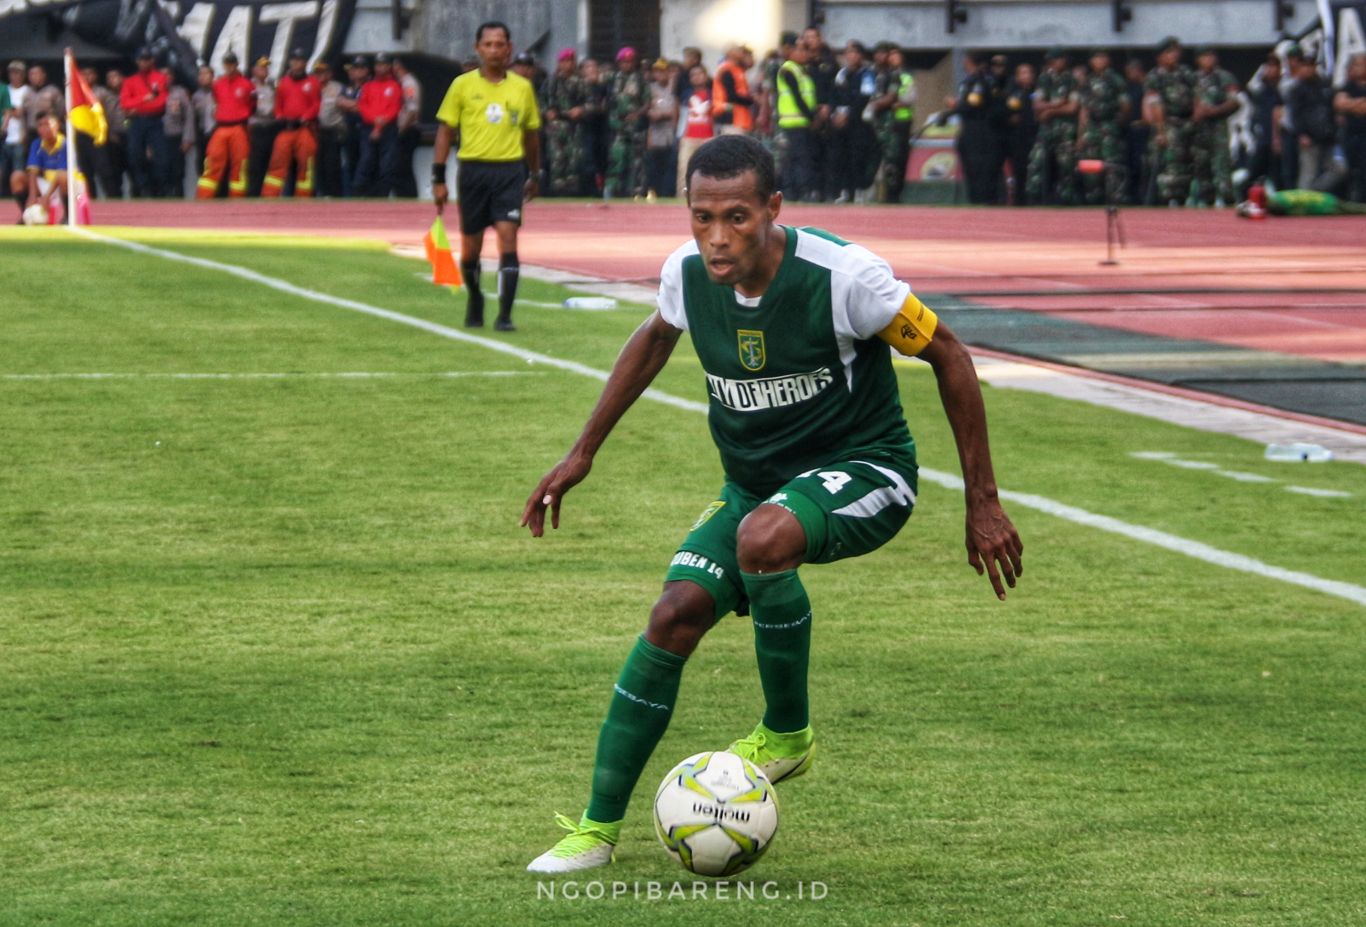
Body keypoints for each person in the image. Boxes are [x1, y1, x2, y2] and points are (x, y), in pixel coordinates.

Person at [520, 134, 1023, 873]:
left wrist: (982, 499)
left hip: (868, 471)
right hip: (757, 492)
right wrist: (583, 450)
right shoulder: (686, 276)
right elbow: (656, 337)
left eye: (736, 217)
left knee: (762, 538)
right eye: (701, 218)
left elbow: (948, 350)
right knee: (674, 612)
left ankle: (787, 733)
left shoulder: (846, 276)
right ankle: (595, 830)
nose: (717, 238)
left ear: (773, 209)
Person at [431, 20, 542, 332]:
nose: (494, 50)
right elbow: (444, 132)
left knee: (508, 237)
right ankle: (476, 297)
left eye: (500, 44)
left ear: (509, 48)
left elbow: (531, 136)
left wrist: (535, 173)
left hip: (509, 171)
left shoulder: (522, 88)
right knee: (471, 248)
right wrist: (438, 179)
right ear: (477, 48)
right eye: (488, 44)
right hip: (473, 172)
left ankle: (505, 315)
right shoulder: (462, 85)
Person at [1144, 37, 1196, 205]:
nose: (1174, 55)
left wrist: (1194, 121)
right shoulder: (1155, 76)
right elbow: (1155, 104)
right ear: (1160, 56)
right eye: (1169, 52)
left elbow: (1197, 98)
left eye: (1175, 52)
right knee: (1170, 163)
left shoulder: (1186, 73)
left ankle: (1186, 196)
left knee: (1190, 162)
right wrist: (1160, 131)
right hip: (1168, 124)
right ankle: (1169, 198)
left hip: (1188, 122)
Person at [196, 52, 254, 198]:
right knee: (212, 161)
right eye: (226, 63)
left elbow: (252, 105)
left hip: (239, 127)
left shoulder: (247, 85)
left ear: (236, 64)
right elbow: (217, 101)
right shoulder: (218, 84)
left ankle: (237, 199)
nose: (229, 66)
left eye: (231, 63)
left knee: (239, 164)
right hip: (221, 127)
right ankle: (204, 197)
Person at [263, 48, 320, 197]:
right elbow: (278, 105)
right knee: (277, 162)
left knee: (305, 164)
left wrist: (305, 117)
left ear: (305, 63)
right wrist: (280, 116)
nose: (296, 63)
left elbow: (315, 105)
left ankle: (304, 196)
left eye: (299, 60)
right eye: (293, 60)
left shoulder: (313, 82)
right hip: (286, 129)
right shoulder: (283, 82)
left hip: (304, 129)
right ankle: (269, 196)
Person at [1076, 49, 1130, 205]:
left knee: (1111, 161)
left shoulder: (1115, 79)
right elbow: (1084, 109)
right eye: (1096, 58)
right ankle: (1093, 196)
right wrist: (1081, 134)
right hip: (1092, 125)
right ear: (1091, 62)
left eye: (1102, 57)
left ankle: (1114, 197)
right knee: (1091, 161)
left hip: (1109, 124)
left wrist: (1117, 123)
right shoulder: (1088, 81)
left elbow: (1125, 105)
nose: (1099, 60)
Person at [829, 40, 878, 203]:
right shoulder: (841, 74)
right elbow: (835, 95)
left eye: (855, 52)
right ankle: (845, 191)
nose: (851, 56)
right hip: (841, 122)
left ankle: (859, 191)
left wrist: (849, 114)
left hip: (859, 122)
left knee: (858, 157)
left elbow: (864, 97)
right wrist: (835, 115)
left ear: (861, 56)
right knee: (842, 157)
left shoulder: (867, 74)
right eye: (848, 52)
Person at [1190, 47, 1239, 206]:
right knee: (1201, 167)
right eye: (1204, 56)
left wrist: (1214, 111)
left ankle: (1227, 199)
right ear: (1198, 59)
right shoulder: (1192, 78)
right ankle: (1206, 201)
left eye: (1211, 56)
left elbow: (1234, 101)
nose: (1208, 59)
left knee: (1222, 165)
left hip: (1218, 128)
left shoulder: (1224, 77)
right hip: (1198, 129)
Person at [953, 50, 1003, 204]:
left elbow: (972, 105)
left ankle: (983, 200)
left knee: (979, 168)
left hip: (979, 131)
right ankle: (976, 200)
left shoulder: (979, 81)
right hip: (969, 129)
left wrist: (956, 105)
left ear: (970, 61)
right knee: (971, 167)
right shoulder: (970, 81)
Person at [120, 48, 170, 197]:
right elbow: (125, 103)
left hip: (155, 120)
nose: (144, 62)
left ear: (152, 61)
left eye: (147, 59)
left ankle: (160, 188)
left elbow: (161, 102)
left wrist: (138, 106)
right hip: (137, 122)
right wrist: (144, 99)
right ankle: (144, 186)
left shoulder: (160, 78)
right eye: (141, 59)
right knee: (135, 154)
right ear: (137, 61)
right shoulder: (130, 81)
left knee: (161, 156)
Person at [774, 39, 818, 202]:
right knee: (796, 158)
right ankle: (794, 191)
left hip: (801, 122)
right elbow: (797, 97)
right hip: (792, 122)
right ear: (791, 52)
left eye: (805, 50)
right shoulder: (788, 70)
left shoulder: (802, 70)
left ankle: (797, 191)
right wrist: (811, 116)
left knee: (799, 158)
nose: (804, 54)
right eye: (800, 50)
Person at [353, 53, 402, 196]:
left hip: (388, 128)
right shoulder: (368, 86)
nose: (380, 67)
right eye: (378, 64)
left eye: (383, 64)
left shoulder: (394, 86)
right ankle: (358, 193)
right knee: (366, 160)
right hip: (369, 128)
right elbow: (363, 106)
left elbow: (395, 108)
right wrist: (375, 121)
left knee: (387, 164)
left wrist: (380, 124)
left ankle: (382, 195)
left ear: (389, 66)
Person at [541, 48, 587, 196]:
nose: (567, 64)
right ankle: (556, 188)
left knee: (573, 157)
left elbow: (591, 103)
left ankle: (572, 190)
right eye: (564, 61)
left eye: (570, 61)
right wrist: (546, 112)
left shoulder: (580, 82)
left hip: (574, 125)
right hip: (556, 125)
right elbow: (540, 102)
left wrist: (581, 109)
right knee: (557, 157)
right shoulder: (550, 81)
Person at [606, 47, 650, 199]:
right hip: (616, 126)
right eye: (624, 62)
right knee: (616, 157)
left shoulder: (640, 79)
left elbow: (647, 102)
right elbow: (605, 100)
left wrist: (637, 114)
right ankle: (612, 191)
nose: (627, 64)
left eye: (630, 61)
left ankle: (635, 191)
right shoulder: (612, 78)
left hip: (635, 127)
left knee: (636, 159)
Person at [873, 45, 915, 204]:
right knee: (890, 159)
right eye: (890, 55)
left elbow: (909, 97)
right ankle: (889, 195)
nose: (892, 58)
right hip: (888, 123)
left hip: (901, 121)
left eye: (896, 55)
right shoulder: (885, 75)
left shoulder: (904, 76)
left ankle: (894, 195)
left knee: (898, 159)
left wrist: (894, 102)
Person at [11, 112, 67, 220]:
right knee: (17, 177)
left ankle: (67, 216)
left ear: (57, 125)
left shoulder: (65, 144)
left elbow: (61, 173)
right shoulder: (36, 144)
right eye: (40, 125)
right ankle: (27, 215)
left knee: (62, 176)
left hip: (64, 187)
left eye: (47, 124)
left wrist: (46, 197)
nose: (43, 128)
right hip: (47, 184)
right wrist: (32, 196)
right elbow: (33, 171)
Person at [1243, 55, 1283, 191]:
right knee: (1254, 172)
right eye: (1269, 67)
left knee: (1279, 174)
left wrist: (1276, 138)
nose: (1271, 70)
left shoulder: (1282, 88)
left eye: (1275, 67)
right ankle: (1245, 199)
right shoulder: (1262, 90)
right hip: (1263, 138)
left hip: (1280, 139)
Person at [676, 63, 713, 197]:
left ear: (705, 76)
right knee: (684, 168)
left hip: (708, 137)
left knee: (709, 170)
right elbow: (681, 115)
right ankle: (682, 197)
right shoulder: (686, 95)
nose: (696, 77)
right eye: (693, 75)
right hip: (689, 137)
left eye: (699, 74)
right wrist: (680, 135)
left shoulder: (712, 94)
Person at [1004, 62, 1037, 204]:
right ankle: (1019, 200)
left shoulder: (1037, 91)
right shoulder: (1012, 93)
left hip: (1035, 136)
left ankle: (1036, 199)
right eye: (1023, 73)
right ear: (1017, 76)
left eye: (1029, 72)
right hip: (1018, 137)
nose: (1027, 75)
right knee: (1019, 169)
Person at [1335, 53, 1366, 202]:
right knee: (1351, 170)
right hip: (1351, 136)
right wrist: (1359, 103)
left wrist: (1351, 105)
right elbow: (1340, 104)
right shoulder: (1348, 86)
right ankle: (1353, 202)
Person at [645, 58, 678, 198]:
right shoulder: (650, 88)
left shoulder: (674, 88)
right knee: (654, 166)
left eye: (662, 71)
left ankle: (667, 194)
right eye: (657, 71)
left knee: (670, 166)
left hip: (671, 133)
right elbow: (649, 111)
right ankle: (654, 192)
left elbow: (674, 111)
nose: (659, 74)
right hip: (655, 134)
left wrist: (664, 114)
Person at [314, 61, 346, 197]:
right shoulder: (312, 87)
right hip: (315, 131)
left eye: (323, 72)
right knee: (318, 166)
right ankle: (321, 194)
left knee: (332, 166)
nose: (321, 75)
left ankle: (334, 195)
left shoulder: (338, 88)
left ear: (330, 73)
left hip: (333, 131)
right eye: (318, 72)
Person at [162, 72, 197, 197]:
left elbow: (189, 116)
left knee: (178, 171)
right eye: (162, 75)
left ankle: (178, 198)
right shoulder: (153, 92)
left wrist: (187, 138)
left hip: (176, 137)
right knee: (161, 170)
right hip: (159, 138)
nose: (166, 78)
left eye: (168, 75)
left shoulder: (179, 93)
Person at [393, 57, 422, 197]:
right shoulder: (403, 83)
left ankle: (408, 195)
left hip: (408, 129)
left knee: (403, 166)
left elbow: (412, 109)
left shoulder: (408, 83)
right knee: (401, 167)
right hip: (406, 129)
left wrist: (402, 130)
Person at [713, 44, 755, 136]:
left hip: (737, 117)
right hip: (730, 116)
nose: (742, 54)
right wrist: (751, 100)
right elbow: (731, 95)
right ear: (732, 54)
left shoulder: (736, 70)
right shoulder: (727, 70)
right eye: (739, 51)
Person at [3, 61, 30, 190]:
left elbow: (20, 113)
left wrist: (7, 109)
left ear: (24, 75)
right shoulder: (4, 89)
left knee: (18, 169)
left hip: (19, 136)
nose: (14, 75)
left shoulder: (27, 91)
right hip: (4, 135)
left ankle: (18, 195)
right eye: (12, 73)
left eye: (17, 72)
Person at [191, 64, 216, 183]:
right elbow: (193, 118)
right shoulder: (196, 96)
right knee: (201, 163)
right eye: (200, 74)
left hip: (216, 132)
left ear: (212, 76)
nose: (202, 77)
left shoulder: (218, 92)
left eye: (206, 74)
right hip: (202, 133)